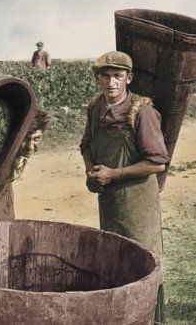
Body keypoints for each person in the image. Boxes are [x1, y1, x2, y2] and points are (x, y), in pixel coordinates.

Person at [80, 51, 169, 325]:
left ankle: (151, 319)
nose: (111, 83)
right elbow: (85, 145)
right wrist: (91, 172)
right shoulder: (96, 108)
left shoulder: (142, 112)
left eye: (118, 76)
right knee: (114, 258)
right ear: (97, 79)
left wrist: (114, 173)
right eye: (105, 76)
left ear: (128, 78)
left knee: (145, 261)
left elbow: (157, 163)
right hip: (110, 203)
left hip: (138, 206)